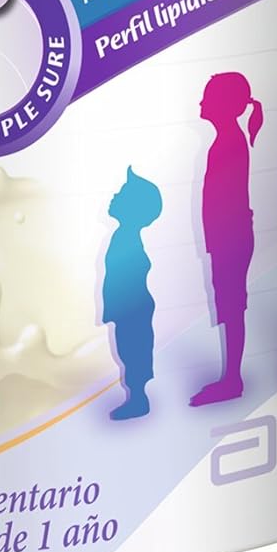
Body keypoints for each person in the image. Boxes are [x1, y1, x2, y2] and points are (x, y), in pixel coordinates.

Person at [191, 71, 263, 406]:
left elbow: (226, 199)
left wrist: (219, 241)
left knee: (232, 306)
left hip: (231, 239)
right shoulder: (227, 140)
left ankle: (233, 379)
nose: (201, 103)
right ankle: (231, 376)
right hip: (229, 238)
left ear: (222, 104)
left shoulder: (229, 143)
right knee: (231, 305)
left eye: (207, 97)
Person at [99, 167, 162, 420]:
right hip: (129, 309)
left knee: (134, 352)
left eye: (122, 193)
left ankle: (138, 399)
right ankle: (137, 397)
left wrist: (117, 308)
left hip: (133, 310)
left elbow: (127, 277)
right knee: (129, 351)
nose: (115, 195)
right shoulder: (123, 237)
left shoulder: (126, 240)